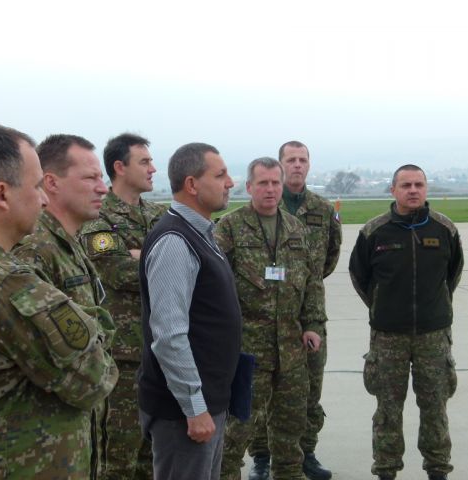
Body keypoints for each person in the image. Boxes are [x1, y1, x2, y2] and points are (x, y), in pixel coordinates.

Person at [0, 123, 118, 478]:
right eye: (36, 186)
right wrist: (94, 322)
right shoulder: (5, 284)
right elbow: (95, 377)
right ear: (2, 194)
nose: (43, 199)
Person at [349, 164, 463, 480]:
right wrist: (383, 306)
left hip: (433, 335)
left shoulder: (445, 229)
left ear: (426, 189)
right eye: (406, 185)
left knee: (435, 408)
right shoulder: (374, 232)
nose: (413, 190)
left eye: (418, 184)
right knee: (387, 410)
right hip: (388, 336)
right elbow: (360, 276)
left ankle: (437, 470)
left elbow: (452, 274)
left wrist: (434, 306)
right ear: (393, 190)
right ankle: (386, 470)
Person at [137, 142, 242, 480]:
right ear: (192, 184)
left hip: (206, 403)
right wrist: (195, 407)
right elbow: (169, 336)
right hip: (184, 412)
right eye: (220, 175)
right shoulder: (175, 242)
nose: (230, 182)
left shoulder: (200, 234)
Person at [216, 157, 324, 480]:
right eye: (263, 183)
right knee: (236, 432)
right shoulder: (229, 228)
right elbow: (213, 286)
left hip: (291, 349)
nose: (271, 189)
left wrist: (313, 325)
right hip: (247, 350)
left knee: (291, 432)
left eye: (276, 182)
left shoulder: (295, 228)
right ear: (249, 187)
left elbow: (312, 282)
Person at [12, 133, 112, 475]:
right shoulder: (35, 249)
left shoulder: (69, 244)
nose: (102, 188)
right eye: (90, 178)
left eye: (101, 178)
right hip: (43, 449)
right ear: (51, 183)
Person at [248, 141, 341, 480]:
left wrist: (298, 284)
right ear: (280, 164)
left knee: (308, 390)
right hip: (262, 318)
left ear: (309, 165)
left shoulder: (322, 209)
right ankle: (262, 457)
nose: (297, 165)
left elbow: (326, 261)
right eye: (291, 160)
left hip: (306, 315)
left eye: (303, 160)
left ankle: (305, 453)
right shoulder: (260, 209)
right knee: (260, 392)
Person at [80, 133, 167, 479]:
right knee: (118, 455)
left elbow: (188, 263)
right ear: (119, 167)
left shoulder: (160, 215)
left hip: (162, 350)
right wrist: (159, 258)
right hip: (123, 357)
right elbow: (117, 272)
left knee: (152, 455)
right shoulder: (98, 218)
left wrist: (140, 254)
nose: (153, 169)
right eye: (144, 162)